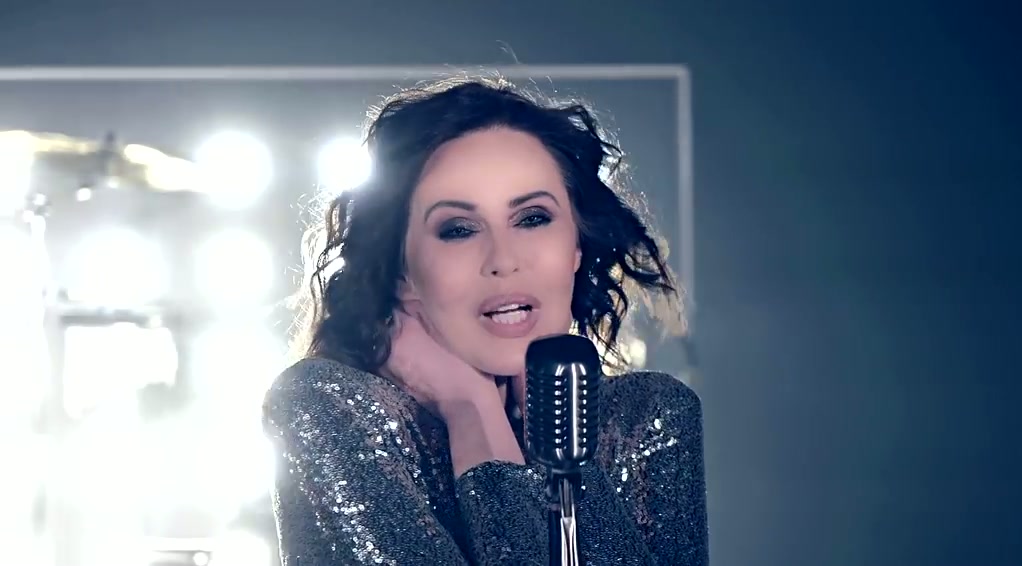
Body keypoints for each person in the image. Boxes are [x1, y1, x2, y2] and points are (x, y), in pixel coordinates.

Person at [264, 76, 708, 565]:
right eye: (459, 230)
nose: (504, 260)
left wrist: (542, 427)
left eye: (533, 218)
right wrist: (470, 410)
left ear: (576, 247)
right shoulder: (331, 406)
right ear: (403, 271)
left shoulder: (649, 415)